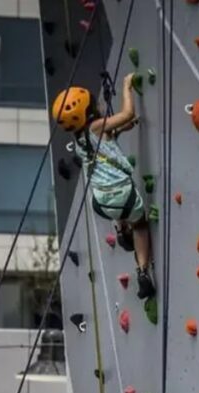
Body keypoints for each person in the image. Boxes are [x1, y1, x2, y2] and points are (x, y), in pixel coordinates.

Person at [51, 76, 156, 299]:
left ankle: (120, 228)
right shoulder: (97, 127)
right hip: (122, 195)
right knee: (140, 224)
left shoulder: (80, 139)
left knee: (117, 207)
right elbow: (126, 114)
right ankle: (143, 272)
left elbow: (105, 142)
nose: (98, 104)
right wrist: (126, 87)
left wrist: (120, 130)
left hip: (100, 202)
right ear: (87, 113)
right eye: (93, 104)